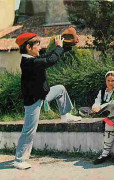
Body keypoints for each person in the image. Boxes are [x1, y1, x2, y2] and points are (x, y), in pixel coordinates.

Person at [14, 33, 82, 170]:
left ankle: (65, 115)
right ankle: (19, 159)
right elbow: (51, 60)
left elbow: (48, 56)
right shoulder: (29, 62)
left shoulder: (33, 58)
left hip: (43, 95)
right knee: (29, 130)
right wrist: (58, 48)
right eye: (37, 45)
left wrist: (66, 46)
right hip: (34, 100)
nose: (40, 48)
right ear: (28, 47)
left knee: (60, 89)